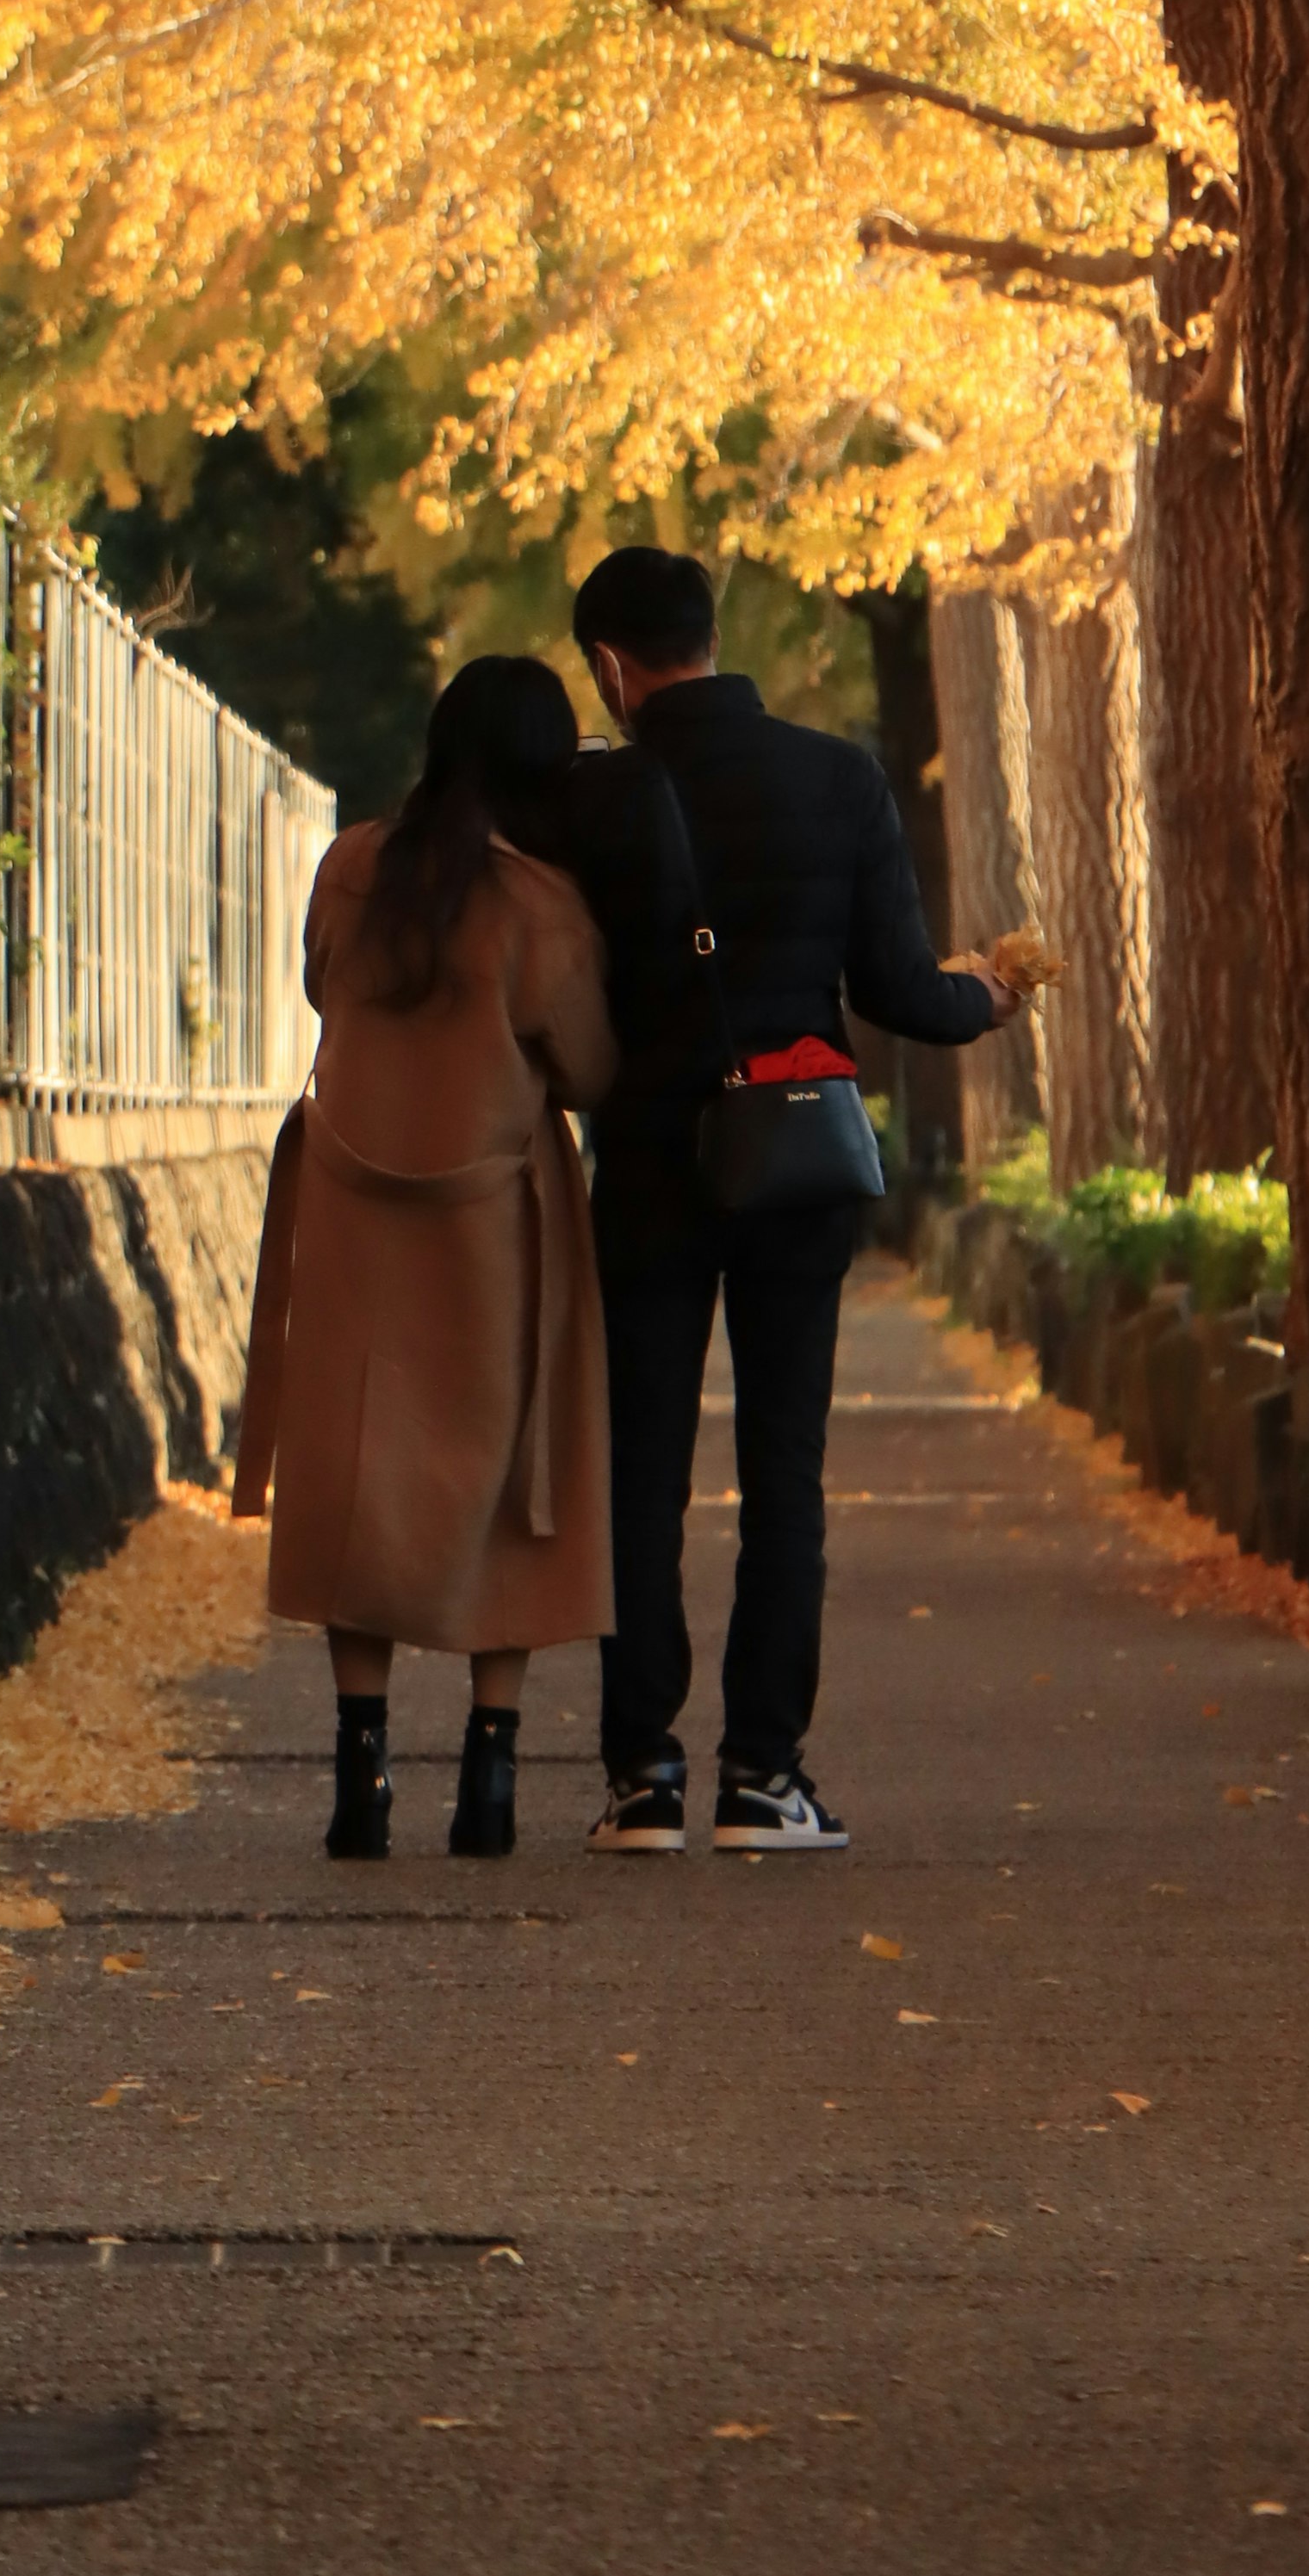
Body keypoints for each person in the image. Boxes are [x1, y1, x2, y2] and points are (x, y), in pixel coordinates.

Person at [553, 544, 1022, 1856]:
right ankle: (764, 1773)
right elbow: (895, 989)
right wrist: (981, 997)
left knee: (641, 1467)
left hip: (649, 1156)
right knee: (784, 1470)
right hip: (795, 1158)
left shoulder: (595, 803)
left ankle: (640, 1774)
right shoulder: (837, 779)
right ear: (713, 636)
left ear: (609, 665)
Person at [229, 657, 617, 1865]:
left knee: (360, 1476)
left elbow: (317, 992)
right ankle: (490, 1782)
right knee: (512, 1481)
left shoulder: (352, 866)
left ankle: (362, 1770)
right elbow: (591, 1068)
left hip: (351, 1208)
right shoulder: (540, 904)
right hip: (490, 1219)